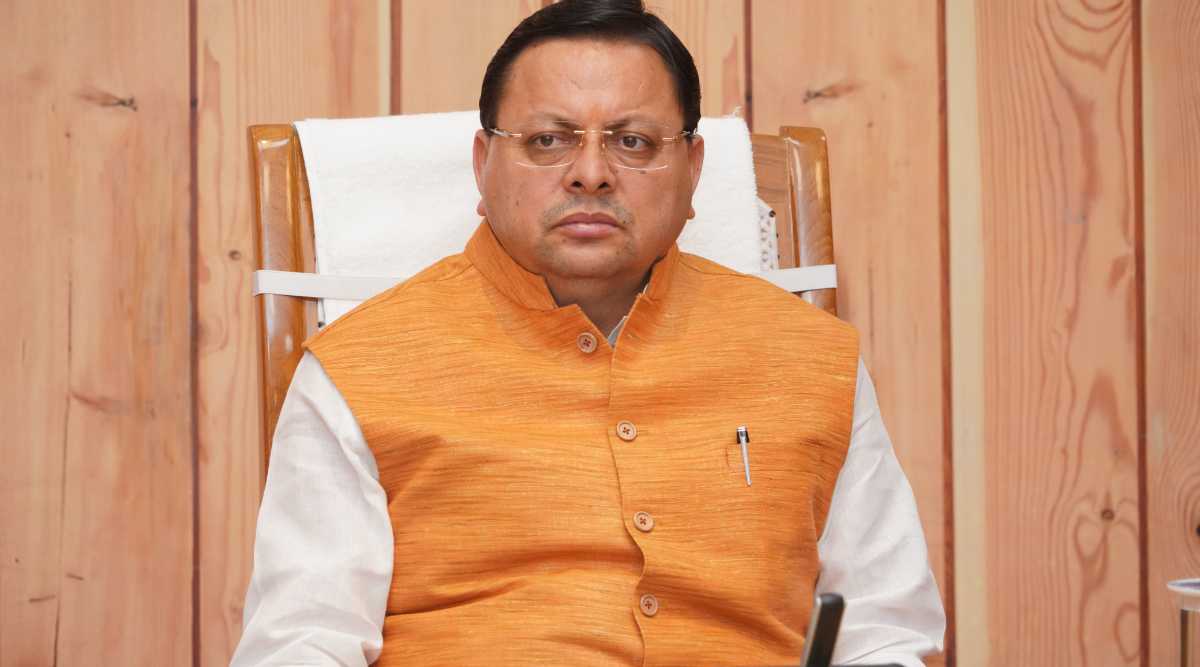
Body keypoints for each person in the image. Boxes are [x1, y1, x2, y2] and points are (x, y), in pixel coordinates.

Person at [230, 1, 945, 665]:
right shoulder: (358, 369)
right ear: (482, 163)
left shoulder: (810, 358)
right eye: (548, 140)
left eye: (633, 141)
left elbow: (883, 632)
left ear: (693, 169)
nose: (592, 174)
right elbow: (302, 642)